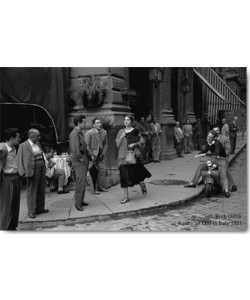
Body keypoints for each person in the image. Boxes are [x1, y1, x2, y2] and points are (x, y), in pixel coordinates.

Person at [116, 115, 151, 204]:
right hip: (122, 157)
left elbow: (142, 141)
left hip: (133, 156)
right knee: (123, 176)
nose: (126, 121)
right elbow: (117, 144)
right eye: (125, 120)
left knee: (134, 174)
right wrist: (121, 137)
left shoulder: (135, 131)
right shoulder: (121, 131)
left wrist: (134, 144)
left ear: (131, 121)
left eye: (128, 120)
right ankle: (126, 197)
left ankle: (141, 183)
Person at [184, 130, 230, 197]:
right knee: (200, 166)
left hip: (221, 160)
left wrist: (204, 154)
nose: (208, 138)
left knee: (223, 174)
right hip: (213, 159)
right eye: (208, 136)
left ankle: (226, 190)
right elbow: (204, 150)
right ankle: (193, 183)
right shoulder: (208, 143)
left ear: (214, 138)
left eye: (210, 137)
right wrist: (198, 154)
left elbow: (216, 152)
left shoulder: (217, 143)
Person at [17, 129, 48, 219]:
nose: (39, 137)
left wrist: (45, 165)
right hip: (31, 169)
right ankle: (31, 211)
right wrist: (22, 172)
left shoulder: (37, 144)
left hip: (40, 166)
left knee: (41, 188)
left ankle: (40, 208)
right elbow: (19, 160)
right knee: (32, 190)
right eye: (38, 136)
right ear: (32, 136)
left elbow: (42, 155)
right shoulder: (23, 145)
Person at [0, 128, 21, 230]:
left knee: (15, 204)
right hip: (6, 179)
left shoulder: (14, 149)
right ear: (12, 138)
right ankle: (4, 229)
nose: (19, 139)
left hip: (15, 177)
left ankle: (13, 226)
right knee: (6, 206)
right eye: (18, 137)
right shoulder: (2, 149)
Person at [69, 115, 89, 211]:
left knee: (82, 181)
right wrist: (82, 159)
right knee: (80, 182)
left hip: (82, 158)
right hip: (79, 160)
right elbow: (75, 149)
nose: (85, 124)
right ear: (79, 122)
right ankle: (78, 203)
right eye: (84, 122)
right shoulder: (74, 134)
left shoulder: (79, 133)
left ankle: (80, 200)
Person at [85, 117, 109, 194]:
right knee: (93, 172)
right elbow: (87, 146)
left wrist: (103, 153)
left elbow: (106, 144)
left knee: (102, 170)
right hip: (92, 155)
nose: (99, 124)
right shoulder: (90, 133)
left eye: (100, 123)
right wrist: (91, 155)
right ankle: (94, 189)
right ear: (93, 125)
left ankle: (101, 186)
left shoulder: (104, 132)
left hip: (100, 154)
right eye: (97, 123)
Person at [213, 126, 237, 192]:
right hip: (215, 158)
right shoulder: (212, 139)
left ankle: (232, 186)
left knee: (224, 172)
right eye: (214, 131)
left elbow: (228, 150)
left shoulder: (224, 138)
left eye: (217, 130)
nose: (216, 132)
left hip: (223, 158)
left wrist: (221, 154)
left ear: (219, 131)